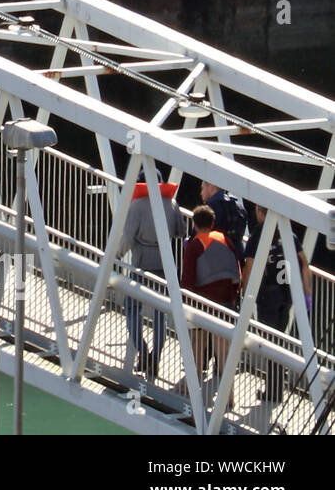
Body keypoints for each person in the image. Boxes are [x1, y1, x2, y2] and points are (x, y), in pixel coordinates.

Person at [117, 168, 184, 379]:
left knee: (132, 309)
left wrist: (115, 257)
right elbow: (181, 231)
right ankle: (156, 357)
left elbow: (127, 238)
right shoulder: (171, 205)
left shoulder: (136, 206)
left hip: (140, 264)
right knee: (159, 315)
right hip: (164, 266)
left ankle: (143, 352)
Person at [242, 204, 314, 400]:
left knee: (270, 343)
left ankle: (273, 391)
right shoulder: (289, 235)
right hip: (287, 295)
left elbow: (249, 265)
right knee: (280, 341)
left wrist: (245, 292)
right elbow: (304, 263)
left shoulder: (259, 235)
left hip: (268, 296)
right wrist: (307, 293)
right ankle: (276, 387)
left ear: (261, 213)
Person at [180, 205, 241, 393]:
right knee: (223, 350)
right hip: (225, 302)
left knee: (198, 344)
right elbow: (236, 272)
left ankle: (193, 386)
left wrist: (185, 301)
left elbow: (188, 278)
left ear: (194, 224)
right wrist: (233, 296)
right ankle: (229, 394)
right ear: (213, 223)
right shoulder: (225, 241)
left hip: (201, 303)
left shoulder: (194, 245)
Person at [201, 179, 249, 265]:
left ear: (211, 187)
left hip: (215, 261)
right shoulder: (239, 208)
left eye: (202, 188)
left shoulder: (209, 209)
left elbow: (198, 236)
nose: (201, 193)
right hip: (236, 259)